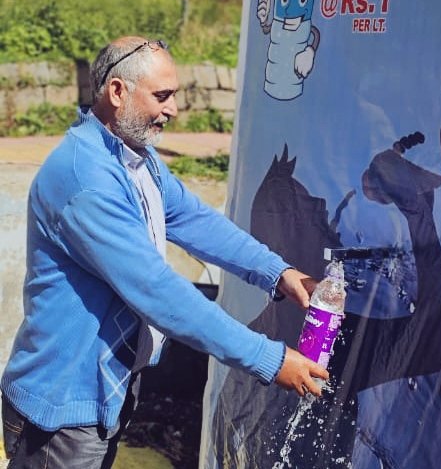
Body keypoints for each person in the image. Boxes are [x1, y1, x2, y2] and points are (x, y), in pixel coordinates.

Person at [0, 36, 328, 468]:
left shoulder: (135, 159)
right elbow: (158, 291)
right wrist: (267, 358)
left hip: (102, 390)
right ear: (117, 92)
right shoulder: (86, 179)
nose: (173, 109)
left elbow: (194, 220)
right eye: (162, 96)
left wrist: (276, 271)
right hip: (63, 408)